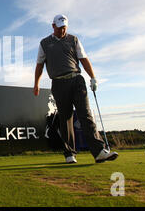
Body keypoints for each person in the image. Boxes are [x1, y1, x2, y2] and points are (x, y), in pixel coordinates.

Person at [33, 14, 118, 164]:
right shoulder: (45, 43)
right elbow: (39, 65)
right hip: (58, 83)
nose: (62, 31)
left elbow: (84, 59)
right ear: (53, 26)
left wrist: (92, 77)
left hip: (76, 80)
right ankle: (69, 154)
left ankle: (99, 151)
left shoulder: (73, 39)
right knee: (65, 119)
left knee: (85, 115)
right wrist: (36, 84)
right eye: (59, 28)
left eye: (64, 28)